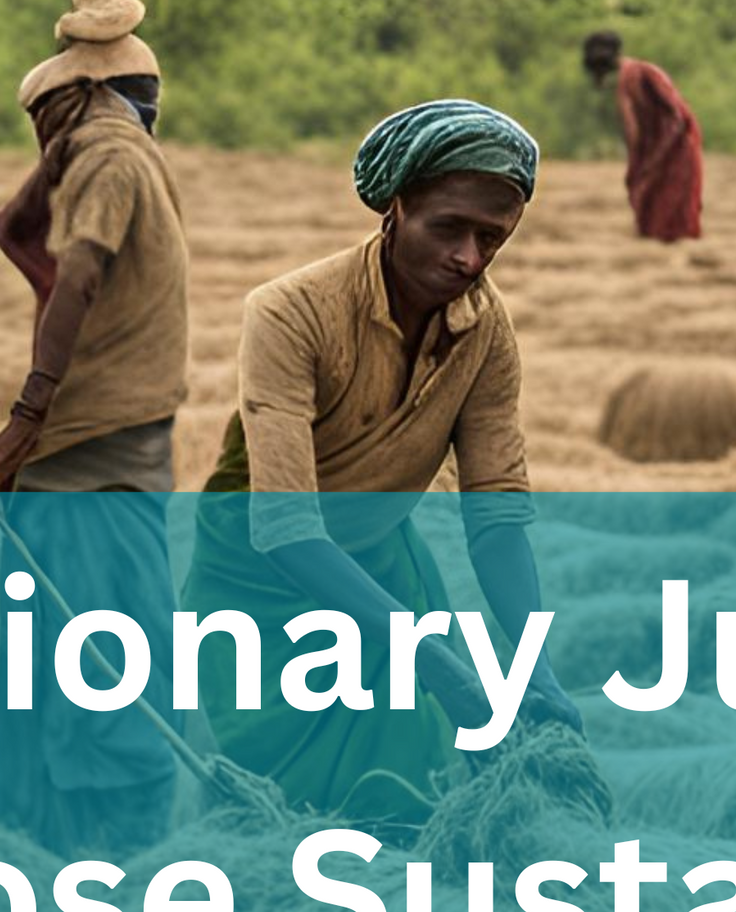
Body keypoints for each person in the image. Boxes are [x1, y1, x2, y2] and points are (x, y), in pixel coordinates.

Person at [182, 98, 581, 828]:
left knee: (410, 798)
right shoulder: (290, 312)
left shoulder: (485, 331)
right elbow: (286, 529)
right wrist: (440, 669)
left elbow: (494, 515)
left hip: (383, 569)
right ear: (395, 208)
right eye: (448, 229)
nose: (469, 258)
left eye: (492, 238)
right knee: (285, 807)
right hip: (260, 574)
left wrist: (534, 669)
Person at [0, 0, 191, 856]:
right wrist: (50, 162)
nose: (41, 137)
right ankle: (51, 842)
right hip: (88, 444)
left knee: (97, 640)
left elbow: (79, 273)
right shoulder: (102, 151)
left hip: (95, 443)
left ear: (82, 99)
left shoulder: (111, 157)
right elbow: (16, 236)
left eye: (43, 122)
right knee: (64, 642)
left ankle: (111, 847)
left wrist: (20, 420)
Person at [582, 32, 703, 244]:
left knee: (672, 215)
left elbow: (678, 116)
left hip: (677, 152)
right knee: (648, 209)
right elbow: (635, 133)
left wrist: (658, 157)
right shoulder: (624, 81)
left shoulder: (645, 73)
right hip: (654, 155)